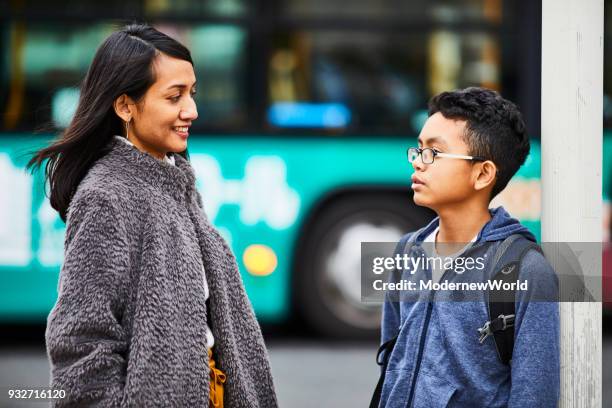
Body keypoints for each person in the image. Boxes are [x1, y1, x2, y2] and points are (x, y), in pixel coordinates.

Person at [27, 24, 277, 407]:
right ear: (126, 105)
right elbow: (80, 342)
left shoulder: (174, 179)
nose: (191, 111)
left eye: (191, 94)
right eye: (174, 96)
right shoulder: (106, 196)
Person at [374, 87, 559, 407]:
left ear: (483, 173)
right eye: (418, 149)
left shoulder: (525, 270)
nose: (419, 163)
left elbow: (535, 395)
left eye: (434, 152)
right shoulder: (407, 252)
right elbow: (392, 364)